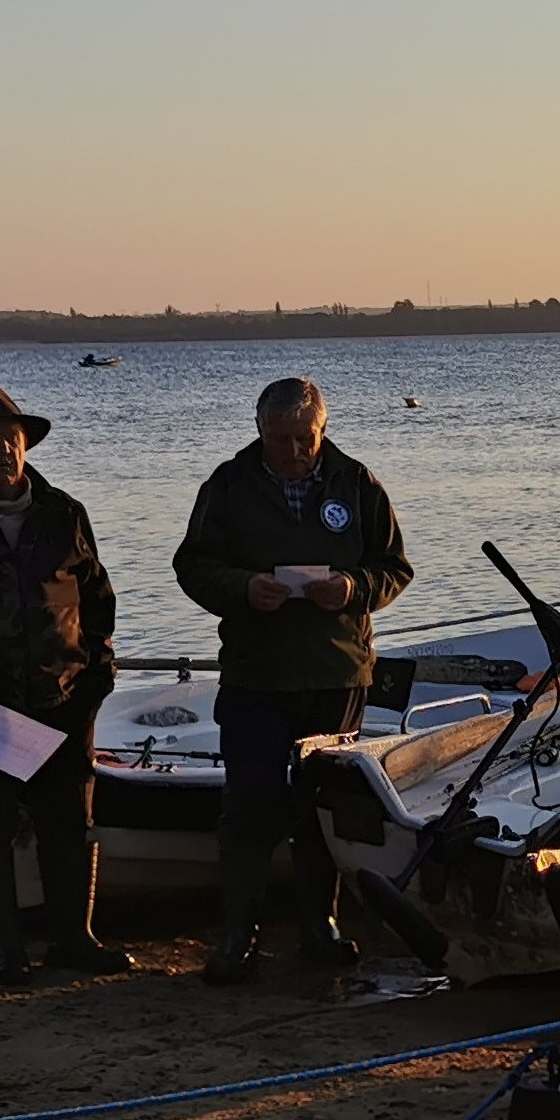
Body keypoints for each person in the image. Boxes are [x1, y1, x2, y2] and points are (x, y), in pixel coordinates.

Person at [171, 376, 413, 983]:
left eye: (306, 438)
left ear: (322, 429)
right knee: (249, 807)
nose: (295, 451)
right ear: (260, 431)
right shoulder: (228, 486)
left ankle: (320, 926)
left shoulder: (357, 484)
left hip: (337, 674)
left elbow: (394, 567)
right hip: (256, 675)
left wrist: (353, 587)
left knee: (321, 809)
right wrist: (243, 588)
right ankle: (239, 936)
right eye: (281, 439)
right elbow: (192, 565)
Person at [0, 382, 128, 980]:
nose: (5, 449)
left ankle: (75, 939)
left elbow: (97, 600)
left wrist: (97, 676)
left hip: (64, 696)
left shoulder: (63, 512)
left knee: (69, 823)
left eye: (13, 437)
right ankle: (5, 948)